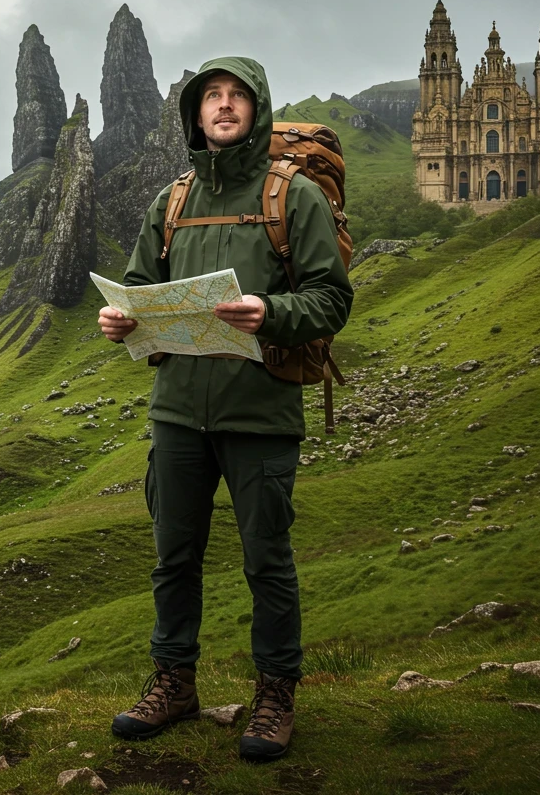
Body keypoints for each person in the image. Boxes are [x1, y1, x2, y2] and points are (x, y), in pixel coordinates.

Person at [98, 57, 353, 762]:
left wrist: (268, 311)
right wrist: (121, 318)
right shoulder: (172, 200)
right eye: (211, 95)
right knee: (171, 558)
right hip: (178, 412)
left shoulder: (292, 196)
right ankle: (173, 684)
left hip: (260, 413)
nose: (223, 105)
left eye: (237, 95)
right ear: (194, 112)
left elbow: (332, 299)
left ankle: (276, 695)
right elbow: (140, 286)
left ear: (257, 108)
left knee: (266, 560)